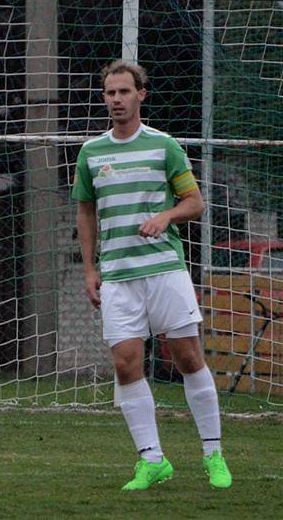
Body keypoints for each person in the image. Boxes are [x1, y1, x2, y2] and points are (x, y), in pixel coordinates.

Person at [72, 60, 232, 490]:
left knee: (187, 358)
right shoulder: (91, 152)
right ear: (104, 97)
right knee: (125, 365)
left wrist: (166, 215)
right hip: (119, 277)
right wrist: (90, 269)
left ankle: (213, 452)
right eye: (110, 93)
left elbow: (195, 202)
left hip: (164, 271)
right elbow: (85, 212)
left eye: (124, 92)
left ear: (141, 94)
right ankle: (152, 460)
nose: (117, 100)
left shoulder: (165, 146)